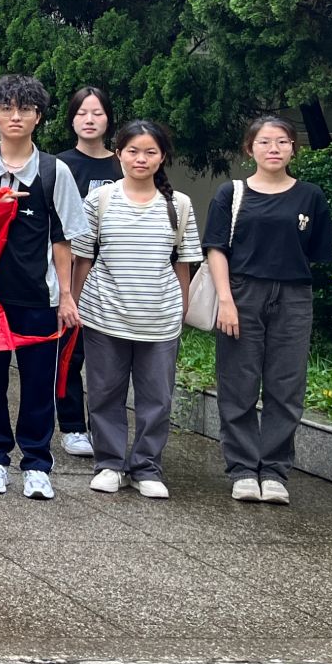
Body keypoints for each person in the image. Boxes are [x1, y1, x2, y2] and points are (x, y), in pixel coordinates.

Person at [0, 74, 89, 500]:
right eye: (6, 108)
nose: (15, 116)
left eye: (25, 109)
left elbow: (64, 239)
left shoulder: (55, 171)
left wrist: (67, 297)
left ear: (39, 117)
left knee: (38, 385)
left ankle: (36, 463)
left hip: (41, 297)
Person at [203, 115, 332, 505]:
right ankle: (243, 468)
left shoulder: (311, 196)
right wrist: (226, 300)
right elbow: (216, 249)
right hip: (242, 292)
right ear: (250, 149)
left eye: (282, 141)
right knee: (238, 383)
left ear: (294, 148)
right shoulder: (231, 193)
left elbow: (315, 252)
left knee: (286, 385)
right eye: (264, 142)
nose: (273, 148)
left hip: (294, 296)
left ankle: (275, 471)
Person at [71, 120, 202, 499]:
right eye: (132, 151)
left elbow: (184, 263)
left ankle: (147, 467)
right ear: (118, 154)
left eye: (150, 152)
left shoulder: (179, 205)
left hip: (159, 319)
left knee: (157, 399)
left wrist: (181, 309)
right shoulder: (100, 199)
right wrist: (74, 304)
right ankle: (109, 464)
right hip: (104, 314)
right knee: (104, 394)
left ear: (162, 157)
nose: (140, 159)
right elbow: (83, 258)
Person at [54, 85, 122, 459]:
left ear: (109, 119)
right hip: (70, 272)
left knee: (109, 360)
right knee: (70, 353)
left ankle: (105, 427)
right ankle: (72, 426)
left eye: (97, 113)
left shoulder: (123, 164)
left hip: (115, 274)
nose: (90, 120)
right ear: (72, 119)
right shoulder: (58, 165)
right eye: (82, 113)